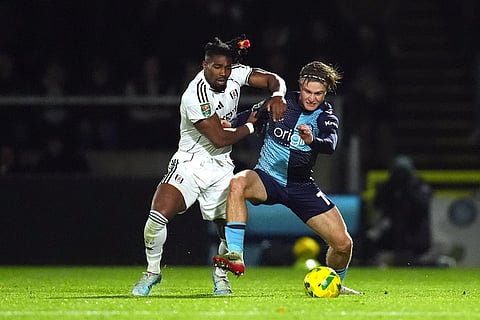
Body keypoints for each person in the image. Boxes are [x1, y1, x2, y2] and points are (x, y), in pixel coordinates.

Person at [131, 35, 287, 297]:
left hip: (221, 166)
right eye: (217, 67)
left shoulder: (236, 74)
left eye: (227, 67)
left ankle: (220, 278)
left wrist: (279, 95)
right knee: (156, 217)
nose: (223, 73)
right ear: (204, 65)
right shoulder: (194, 94)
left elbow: (273, 79)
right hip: (190, 163)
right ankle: (152, 271)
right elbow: (219, 137)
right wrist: (251, 124)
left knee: (227, 228)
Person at [213, 61, 363, 295]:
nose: (313, 98)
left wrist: (312, 140)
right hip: (267, 179)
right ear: (300, 85)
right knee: (237, 182)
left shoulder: (326, 116)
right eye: (308, 91)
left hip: (301, 187)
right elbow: (251, 114)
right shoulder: (280, 103)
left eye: (319, 94)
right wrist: (229, 123)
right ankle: (235, 254)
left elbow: (331, 144)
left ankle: (335, 284)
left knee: (344, 244)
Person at [366, 155, 434, 267]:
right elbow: (377, 203)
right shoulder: (390, 187)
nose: (400, 177)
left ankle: (433, 263)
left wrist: (408, 189)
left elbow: (422, 205)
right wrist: (391, 187)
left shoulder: (418, 186)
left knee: (410, 261)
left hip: (416, 236)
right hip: (393, 237)